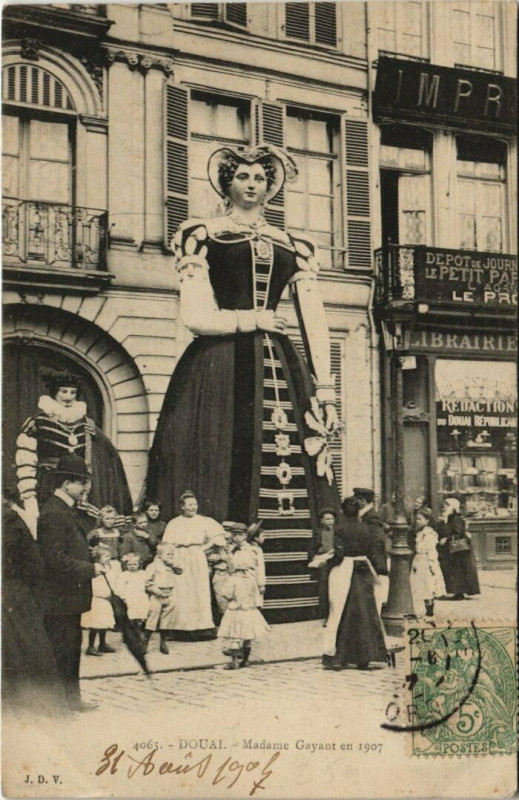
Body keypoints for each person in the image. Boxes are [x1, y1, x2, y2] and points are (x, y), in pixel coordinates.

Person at [146, 144, 342, 618]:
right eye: (244, 177)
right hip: (220, 361)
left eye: (260, 178)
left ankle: (297, 592)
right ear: (227, 182)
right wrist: (252, 318)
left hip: (281, 361)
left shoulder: (294, 245)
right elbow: (196, 315)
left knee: (298, 454)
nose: (253, 185)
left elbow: (314, 319)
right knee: (220, 449)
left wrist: (325, 388)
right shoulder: (202, 234)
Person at [15, 369, 132, 533]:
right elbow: (26, 459)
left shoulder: (85, 423)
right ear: (54, 393)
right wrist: (28, 495)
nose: (68, 397)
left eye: (73, 392)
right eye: (63, 392)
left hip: (79, 487)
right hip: (49, 484)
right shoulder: (38, 422)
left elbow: (106, 452)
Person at [37, 455, 106, 712]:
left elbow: (66, 549)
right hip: (60, 598)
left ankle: (70, 700)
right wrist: (90, 568)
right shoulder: (55, 513)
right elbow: (53, 559)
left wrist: (89, 553)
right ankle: (60, 703)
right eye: (81, 483)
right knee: (62, 650)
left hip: (68, 598)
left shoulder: (64, 509)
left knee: (70, 648)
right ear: (66, 484)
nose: (85, 488)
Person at [2, 491, 67, 716]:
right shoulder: (12, 520)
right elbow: (33, 564)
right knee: (27, 647)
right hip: (14, 594)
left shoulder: (12, 520)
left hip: (12, 592)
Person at [323, 496, 387, 671]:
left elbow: (339, 555)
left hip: (345, 569)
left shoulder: (340, 529)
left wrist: (326, 563)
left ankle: (339, 657)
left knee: (341, 610)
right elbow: (372, 551)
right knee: (365, 612)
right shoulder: (366, 529)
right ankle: (364, 658)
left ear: (343, 512)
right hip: (363, 569)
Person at [161, 491, 227, 640]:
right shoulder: (174, 523)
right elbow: (167, 544)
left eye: (195, 504)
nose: (193, 507)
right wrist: (171, 561)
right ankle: (179, 629)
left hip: (197, 558)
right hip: (179, 557)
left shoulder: (204, 521)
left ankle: (201, 628)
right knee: (181, 592)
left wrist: (204, 548)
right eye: (190, 505)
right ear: (182, 507)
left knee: (199, 591)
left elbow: (219, 537)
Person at [218, 525, 270, 669]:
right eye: (234, 535)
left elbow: (260, 568)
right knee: (234, 616)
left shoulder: (254, 550)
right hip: (236, 582)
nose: (236, 538)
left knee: (246, 617)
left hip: (249, 583)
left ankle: (244, 659)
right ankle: (235, 658)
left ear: (246, 535)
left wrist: (261, 585)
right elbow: (229, 569)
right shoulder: (232, 550)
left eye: (240, 535)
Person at [353, 488, 389, 618]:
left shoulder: (372, 517)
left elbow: (376, 541)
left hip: (371, 561)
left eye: (356, 500)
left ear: (363, 501)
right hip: (367, 560)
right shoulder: (363, 515)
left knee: (373, 593)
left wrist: (375, 563)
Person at [436, 498, 480, 600]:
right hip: (450, 550)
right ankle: (456, 591)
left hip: (459, 551)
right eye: (443, 505)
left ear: (454, 508)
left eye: (447, 505)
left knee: (459, 571)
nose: (444, 508)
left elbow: (459, 533)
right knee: (453, 570)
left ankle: (460, 592)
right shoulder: (445, 519)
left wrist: (446, 538)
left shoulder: (457, 519)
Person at [143, 543, 183, 654]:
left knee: (166, 619)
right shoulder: (153, 566)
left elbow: (180, 571)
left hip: (169, 593)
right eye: (168, 554)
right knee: (152, 618)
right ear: (159, 555)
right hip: (157, 594)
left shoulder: (171, 566)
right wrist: (155, 590)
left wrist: (172, 564)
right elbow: (147, 582)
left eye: (172, 554)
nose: (171, 556)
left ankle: (163, 642)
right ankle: (145, 642)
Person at [410, 508, 446, 618]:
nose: (417, 521)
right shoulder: (419, 532)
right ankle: (423, 610)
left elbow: (431, 550)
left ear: (427, 520)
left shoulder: (429, 533)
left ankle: (430, 612)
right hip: (419, 560)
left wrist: (432, 564)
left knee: (428, 587)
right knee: (420, 586)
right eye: (416, 519)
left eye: (420, 519)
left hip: (426, 561)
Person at [81, 545, 117, 656]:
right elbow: (94, 586)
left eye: (109, 556)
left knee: (104, 623)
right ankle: (91, 646)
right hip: (97, 601)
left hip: (105, 601)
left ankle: (102, 643)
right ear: (97, 558)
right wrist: (101, 594)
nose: (108, 558)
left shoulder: (108, 568)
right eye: (105, 556)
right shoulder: (95, 570)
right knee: (95, 624)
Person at [308, 508, 336, 621]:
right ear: (322, 521)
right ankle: (326, 616)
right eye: (327, 519)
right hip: (323, 563)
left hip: (336, 562)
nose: (330, 521)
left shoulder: (338, 532)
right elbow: (311, 550)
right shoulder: (318, 533)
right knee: (324, 589)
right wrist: (317, 558)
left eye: (332, 519)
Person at [116, 554, 150, 630]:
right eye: (129, 564)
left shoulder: (143, 573)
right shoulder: (124, 575)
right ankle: (133, 625)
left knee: (144, 607)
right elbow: (119, 587)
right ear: (126, 565)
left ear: (139, 565)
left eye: (134, 564)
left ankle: (141, 623)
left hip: (141, 595)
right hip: (129, 595)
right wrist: (123, 597)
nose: (132, 566)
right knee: (132, 610)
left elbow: (148, 584)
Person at [87, 506, 122, 573]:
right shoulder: (96, 533)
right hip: (102, 563)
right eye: (107, 519)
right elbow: (90, 547)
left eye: (112, 518)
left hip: (115, 562)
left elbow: (120, 547)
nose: (110, 521)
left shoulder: (118, 532)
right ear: (101, 519)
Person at [247, 522, 266, 607]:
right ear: (255, 538)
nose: (264, 538)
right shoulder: (257, 550)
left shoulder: (248, 548)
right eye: (262, 536)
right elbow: (260, 568)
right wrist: (261, 585)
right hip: (255, 581)